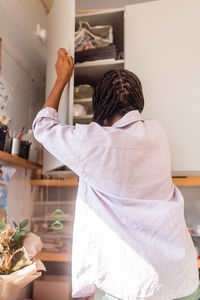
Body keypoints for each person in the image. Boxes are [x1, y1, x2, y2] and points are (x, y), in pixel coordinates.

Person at [32, 49, 199, 300]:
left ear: (100, 106)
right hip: (181, 279)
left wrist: (62, 78)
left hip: (130, 285)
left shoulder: (95, 142)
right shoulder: (157, 133)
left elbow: (43, 127)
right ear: (138, 101)